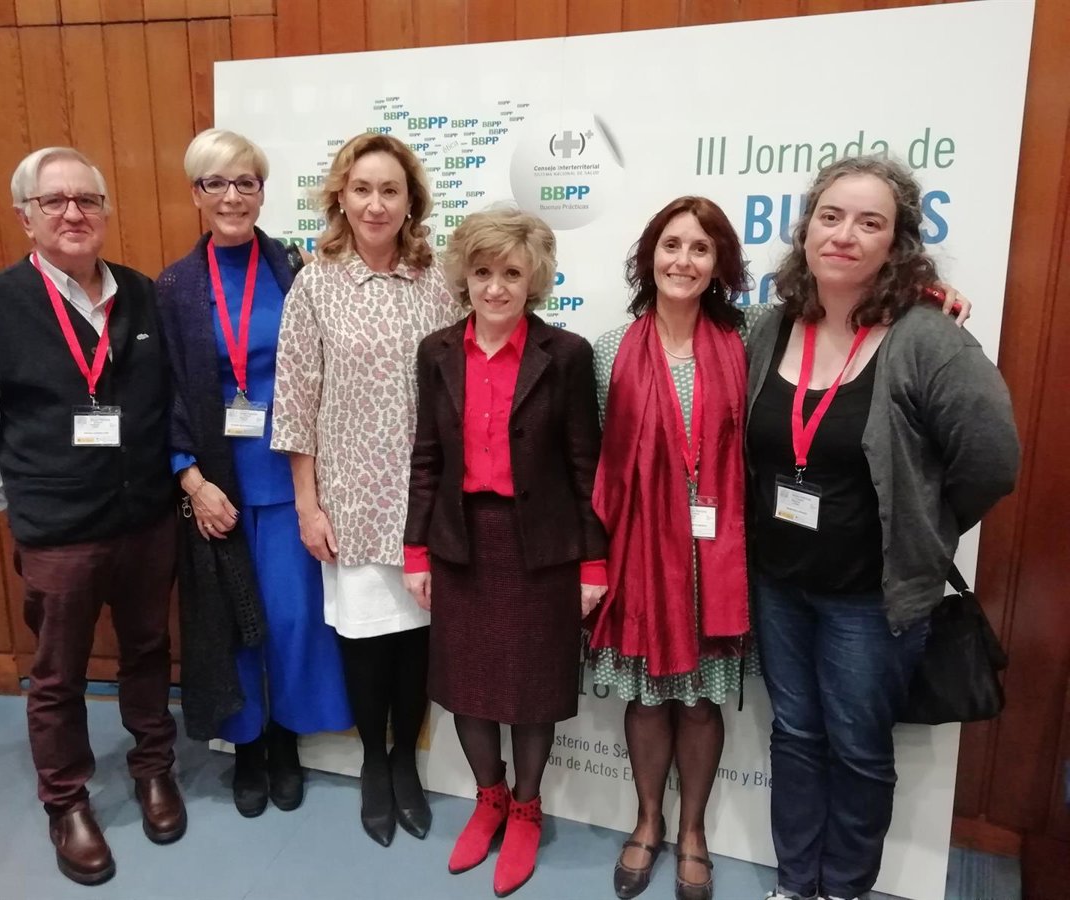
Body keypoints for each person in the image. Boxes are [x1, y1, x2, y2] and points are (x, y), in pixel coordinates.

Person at [748, 156, 1019, 900]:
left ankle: (843, 888)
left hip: (870, 599)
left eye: (870, 222)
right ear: (806, 229)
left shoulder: (927, 337)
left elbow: (992, 461)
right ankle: (795, 884)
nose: (845, 235)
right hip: (779, 584)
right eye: (831, 216)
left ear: (895, 243)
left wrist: (922, 523)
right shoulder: (772, 327)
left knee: (859, 751)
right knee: (794, 737)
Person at [0, 147, 183, 885]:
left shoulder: (142, 294)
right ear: (26, 217)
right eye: (55, 201)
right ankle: (67, 801)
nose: (74, 213)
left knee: (148, 650)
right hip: (59, 532)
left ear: (105, 211)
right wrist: (21, 496)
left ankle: (153, 768)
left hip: (146, 519)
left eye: (87, 200)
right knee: (57, 674)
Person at [403, 208, 608, 897]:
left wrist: (593, 563)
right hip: (461, 544)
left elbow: (585, 466)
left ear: (534, 280)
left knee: (531, 690)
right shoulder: (436, 351)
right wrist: (416, 551)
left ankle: (526, 808)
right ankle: (488, 799)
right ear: (465, 276)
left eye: (512, 273)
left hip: (540, 551)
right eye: (483, 271)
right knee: (469, 686)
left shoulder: (566, 354)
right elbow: (426, 459)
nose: (495, 287)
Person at [155, 129, 353, 818]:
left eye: (246, 182)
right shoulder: (175, 288)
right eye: (216, 183)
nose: (232, 196)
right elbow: (163, 392)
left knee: (295, 621)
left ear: (263, 191)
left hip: (292, 479)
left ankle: (285, 741)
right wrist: (190, 479)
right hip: (219, 486)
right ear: (196, 194)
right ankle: (246, 746)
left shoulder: (294, 270)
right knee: (230, 622)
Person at [271, 132, 461, 847]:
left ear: (410, 201)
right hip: (348, 500)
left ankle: (406, 763)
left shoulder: (440, 282)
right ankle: (374, 765)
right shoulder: (315, 283)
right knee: (363, 641)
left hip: (424, 500)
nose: (375, 204)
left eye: (389, 190)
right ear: (340, 199)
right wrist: (306, 504)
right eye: (362, 189)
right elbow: (295, 401)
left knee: (416, 642)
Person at [588, 197, 757, 900]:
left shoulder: (748, 341)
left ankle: (693, 831)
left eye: (700, 248)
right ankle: (648, 821)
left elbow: (842, 317)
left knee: (699, 704)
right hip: (641, 559)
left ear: (719, 265)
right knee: (648, 699)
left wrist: (929, 293)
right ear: (649, 255)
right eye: (671, 245)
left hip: (713, 561)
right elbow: (595, 464)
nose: (683, 261)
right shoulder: (609, 350)